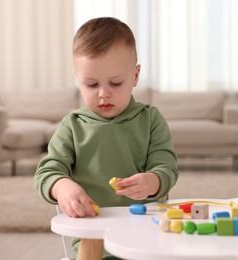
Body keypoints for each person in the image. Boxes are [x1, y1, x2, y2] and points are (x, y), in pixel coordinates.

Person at [34, 17, 179, 260]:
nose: (103, 93)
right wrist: (62, 187)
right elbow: (47, 172)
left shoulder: (151, 119)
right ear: (77, 78)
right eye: (91, 84)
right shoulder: (73, 126)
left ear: (135, 76)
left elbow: (167, 167)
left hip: (146, 229)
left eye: (115, 82)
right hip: (93, 232)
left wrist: (152, 181)